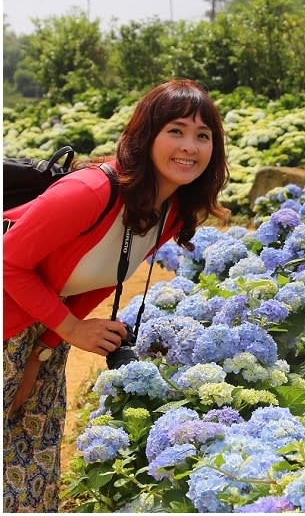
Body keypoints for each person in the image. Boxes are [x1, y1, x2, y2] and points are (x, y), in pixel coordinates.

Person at [3, 79, 229, 512]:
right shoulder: (88, 192)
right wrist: (69, 329)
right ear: (147, 137)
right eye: (176, 131)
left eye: (203, 136)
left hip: (38, 326)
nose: (190, 146)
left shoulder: (169, 207)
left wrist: (44, 351)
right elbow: (8, 262)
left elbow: (101, 278)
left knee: (34, 462)